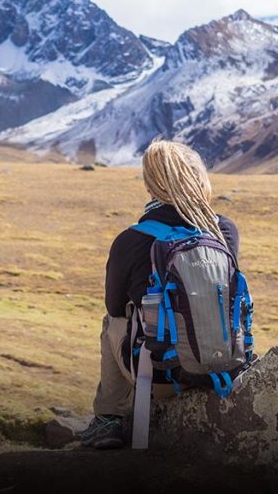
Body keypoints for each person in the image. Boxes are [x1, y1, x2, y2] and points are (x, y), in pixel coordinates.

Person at [79, 140, 240, 449]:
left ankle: (108, 419)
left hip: (164, 377)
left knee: (112, 321)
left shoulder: (133, 239)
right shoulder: (224, 231)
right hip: (224, 367)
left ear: (151, 184)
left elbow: (114, 305)